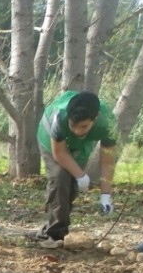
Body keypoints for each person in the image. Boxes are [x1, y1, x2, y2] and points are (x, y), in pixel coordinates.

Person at [32, 90, 117, 249]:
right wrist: (81, 175)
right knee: (59, 177)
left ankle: (58, 229)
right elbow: (59, 153)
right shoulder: (59, 117)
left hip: (79, 146)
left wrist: (106, 194)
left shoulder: (108, 124)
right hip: (50, 139)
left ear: (96, 117)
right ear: (69, 119)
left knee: (70, 186)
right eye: (74, 125)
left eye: (84, 126)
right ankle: (51, 234)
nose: (78, 130)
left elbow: (107, 161)